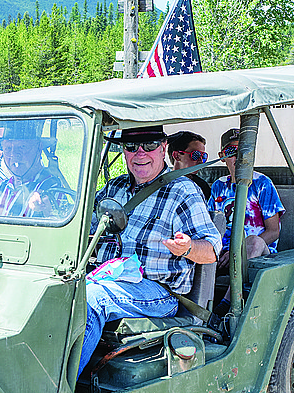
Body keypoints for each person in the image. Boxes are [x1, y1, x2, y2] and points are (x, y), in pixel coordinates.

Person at [83, 126, 221, 373]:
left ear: (164, 148)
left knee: (92, 299)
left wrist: (187, 247)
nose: (140, 153)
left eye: (149, 146)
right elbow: (84, 230)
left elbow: (211, 249)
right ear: (123, 151)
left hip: (157, 290)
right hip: (105, 276)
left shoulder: (182, 191)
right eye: (131, 147)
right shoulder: (113, 189)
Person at [210, 128, 284, 271]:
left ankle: (231, 294)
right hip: (222, 254)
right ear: (222, 156)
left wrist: (236, 253)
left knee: (254, 242)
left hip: (258, 254)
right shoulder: (218, 186)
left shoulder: (262, 183)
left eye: (243, 151)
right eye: (232, 151)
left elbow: (274, 231)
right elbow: (211, 225)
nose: (239, 157)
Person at [0, 120, 73, 218]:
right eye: (8, 148)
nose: (14, 155)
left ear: (39, 147)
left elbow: (56, 228)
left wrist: (44, 209)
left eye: (22, 147)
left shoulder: (52, 187)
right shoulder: (0, 187)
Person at [167, 130, 212, 201]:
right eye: (196, 155)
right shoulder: (161, 183)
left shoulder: (202, 186)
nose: (201, 161)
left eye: (203, 156)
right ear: (177, 156)